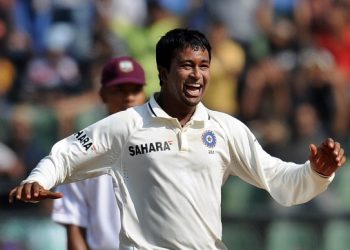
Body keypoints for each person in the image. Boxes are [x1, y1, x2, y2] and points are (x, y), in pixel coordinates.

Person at [9, 28, 346, 250]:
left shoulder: (225, 128)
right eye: (187, 65)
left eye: (204, 65)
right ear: (164, 73)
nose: (197, 75)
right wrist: (38, 178)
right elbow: (66, 153)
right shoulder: (127, 124)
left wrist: (316, 172)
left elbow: (280, 181)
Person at [51, 56, 146, 250]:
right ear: (103, 95)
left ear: (144, 94)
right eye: (119, 90)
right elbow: (74, 225)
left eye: (135, 90)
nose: (128, 97)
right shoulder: (80, 151)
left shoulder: (166, 143)